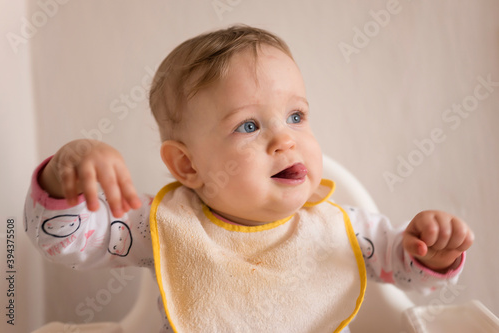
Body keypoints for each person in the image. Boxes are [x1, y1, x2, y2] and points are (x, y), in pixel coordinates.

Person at [24, 25, 474, 333]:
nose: (284, 139)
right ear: (188, 167)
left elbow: (408, 275)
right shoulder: (159, 226)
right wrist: (65, 176)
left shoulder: (343, 228)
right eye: (249, 126)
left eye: (296, 116)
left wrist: (430, 253)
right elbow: (66, 243)